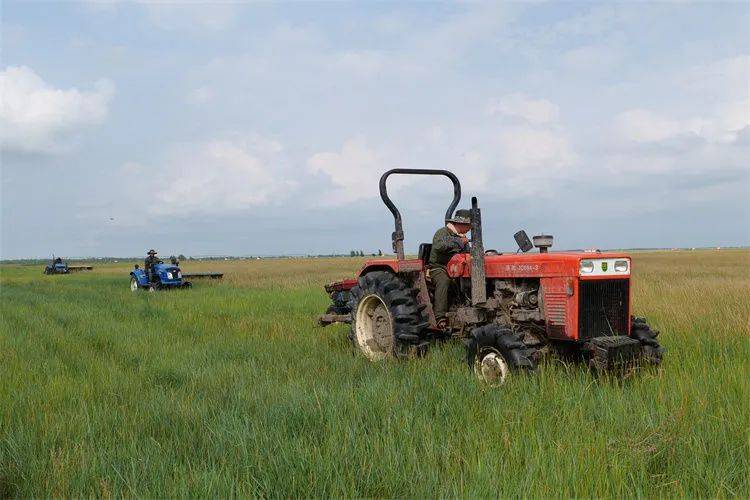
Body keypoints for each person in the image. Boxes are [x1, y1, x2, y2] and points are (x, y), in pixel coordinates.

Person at [428, 209, 472, 329]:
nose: (470, 229)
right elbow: (439, 246)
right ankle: (440, 317)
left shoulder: (463, 237)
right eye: (469, 226)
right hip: (439, 267)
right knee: (444, 281)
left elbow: (467, 253)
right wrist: (459, 242)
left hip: (456, 268)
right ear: (460, 224)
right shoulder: (442, 233)